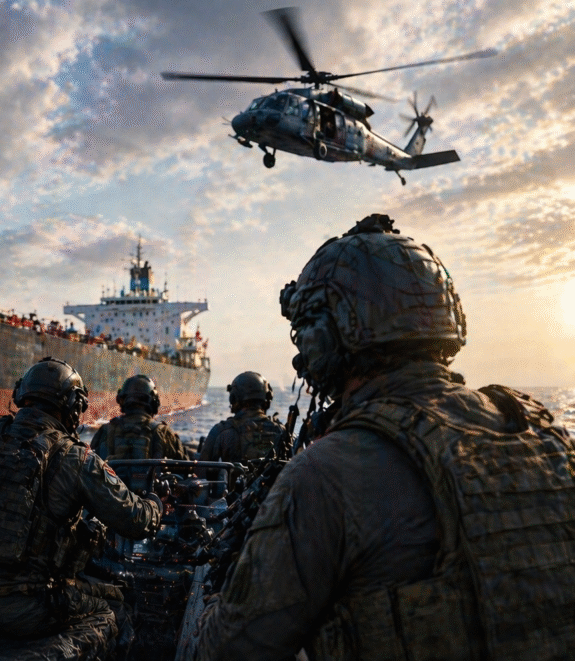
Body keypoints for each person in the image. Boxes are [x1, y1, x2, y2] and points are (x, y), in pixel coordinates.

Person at [196, 214, 575, 660]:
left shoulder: (325, 474)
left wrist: (211, 605)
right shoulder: (544, 433)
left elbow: (230, 650)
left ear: (326, 336)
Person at [0, 357, 162, 640]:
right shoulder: (75, 457)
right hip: (26, 610)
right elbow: (136, 522)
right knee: (118, 603)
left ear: (20, 395)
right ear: (74, 407)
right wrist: (155, 503)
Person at [89, 374, 191, 461]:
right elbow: (185, 467)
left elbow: (89, 464)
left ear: (122, 400)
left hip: (109, 484)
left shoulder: (105, 430)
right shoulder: (162, 432)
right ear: (154, 402)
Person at [199, 371, 288, 465]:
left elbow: (201, 474)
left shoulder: (221, 431)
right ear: (267, 399)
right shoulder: (281, 431)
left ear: (233, 398)